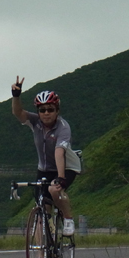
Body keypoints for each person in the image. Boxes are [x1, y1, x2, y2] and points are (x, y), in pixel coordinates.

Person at [11, 76, 81, 247]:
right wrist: (16, 96)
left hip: (67, 166)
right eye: (42, 110)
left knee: (54, 189)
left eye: (50, 109)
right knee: (42, 212)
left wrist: (61, 178)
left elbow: (59, 152)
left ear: (57, 110)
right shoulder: (35, 122)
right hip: (44, 169)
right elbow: (18, 113)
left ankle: (68, 219)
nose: (46, 113)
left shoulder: (63, 127)